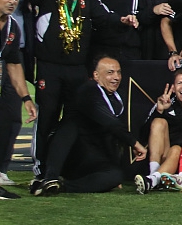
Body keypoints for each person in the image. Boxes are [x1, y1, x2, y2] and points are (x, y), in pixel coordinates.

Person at [28, 0, 128, 187]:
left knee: (73, 120)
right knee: (48, 117)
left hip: (76, 70)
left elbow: (105, 18)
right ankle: (41, 168)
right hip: (49, 68)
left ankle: (61, 167)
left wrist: (123, 20)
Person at [33, 55, 147, 195]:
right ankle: (49, 177)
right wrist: (134, 143)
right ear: (96, 75)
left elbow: (114, 133)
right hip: (71, 153)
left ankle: (62, 187)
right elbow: (111, 124)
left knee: (115, 175)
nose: (116, 77)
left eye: (119, 72)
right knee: (70, 126)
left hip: (92, 158)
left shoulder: (120, 96)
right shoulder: (88, 91)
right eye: (110, 72)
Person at [0, 0, 37, 194]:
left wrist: (26, 98)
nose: (13, 0)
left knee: (7, 121)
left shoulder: (13, 26)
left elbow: (13, 63)